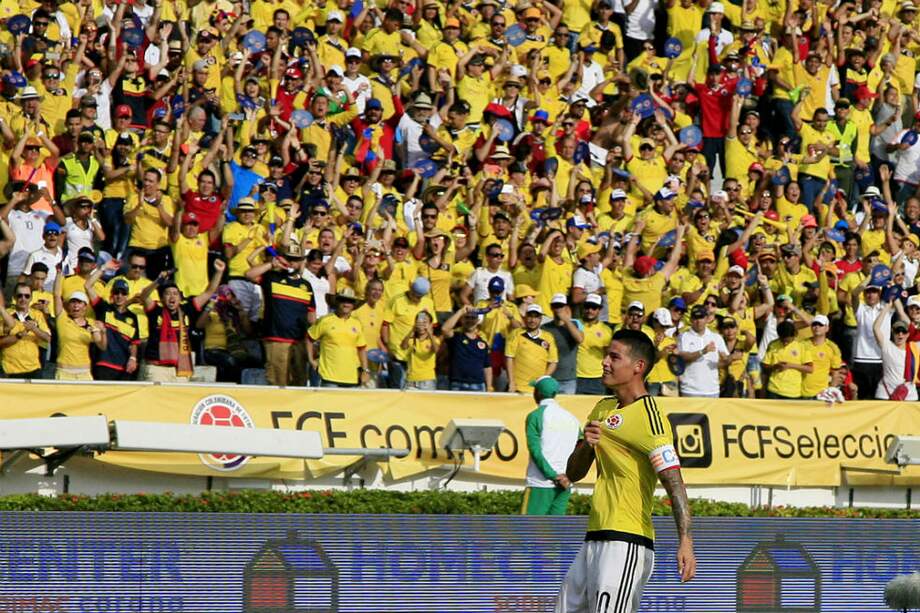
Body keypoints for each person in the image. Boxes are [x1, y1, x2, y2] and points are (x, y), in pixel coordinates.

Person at [556, 329, 696, 611]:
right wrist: (586, 446)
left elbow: (674, 482)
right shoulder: (602, 407)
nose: (605, 362)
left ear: (638, 367)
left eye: (614, 356)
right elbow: (574, 472)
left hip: (626, 541)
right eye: (606, 354)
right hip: (594, 536)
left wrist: (685, 540)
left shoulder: (650, 417)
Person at [246, 243, 315, 387]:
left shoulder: (306, 285)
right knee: (278, 383)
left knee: (299, 383)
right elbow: (249, 274)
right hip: (276, 339)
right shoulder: (271, 277)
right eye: (288, 258)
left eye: (295, 260)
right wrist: (272, 264)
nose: (291, 262)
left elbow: (311, 316)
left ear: (301, 261)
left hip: (299, 342)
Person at [522, 376, 580, 516]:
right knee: (554, 534)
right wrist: (567, 476)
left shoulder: (535, 416)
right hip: (565, 484)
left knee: (527, 532)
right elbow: (581, 448)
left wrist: (554, 476)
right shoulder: (571, 417)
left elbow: (536, 451)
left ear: (538, 393)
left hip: (540, 483)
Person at [307, 287, 370, 388]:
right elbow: (309, 338)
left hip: (352, 377)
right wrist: (311, 360)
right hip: (329, 377)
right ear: (337, 302)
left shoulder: (357, 324)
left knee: (349, 404)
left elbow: (361, 349)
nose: (346, 304)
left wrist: (365, 370)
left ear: (353, 305)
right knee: (329, 404)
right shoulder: (325, 320)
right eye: (342, 300)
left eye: (349, 301)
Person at [0, 283, 52, 378]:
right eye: (20, 295)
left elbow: (48, 338)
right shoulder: (5, 315)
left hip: (34, 369)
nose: (23, 299)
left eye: (27, 296)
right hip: (10, 370)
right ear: (14, 297)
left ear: (31, 298)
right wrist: (20, 335)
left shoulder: (38, 315)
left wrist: (34, 329)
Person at [676, 304, 730, 397]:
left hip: (712, 389)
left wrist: (728, 359)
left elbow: (725, 361)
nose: (698, 321)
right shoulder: (684, 336)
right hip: (690, 390)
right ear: (691, 320)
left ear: (706, 319)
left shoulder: (716, 337)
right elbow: (683, 358)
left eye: (701, 317)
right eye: (695, 318)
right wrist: (703, 351)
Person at [505, 304, 559, 393]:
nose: (532, 320)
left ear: (541, 319)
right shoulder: (516, 334)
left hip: (537, 389)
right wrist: (511, 382)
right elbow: (509, 358)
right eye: (530, 316)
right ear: (525, 317)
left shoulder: (548, 337)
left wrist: (542, 381)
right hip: (518, 387)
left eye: (536, 317)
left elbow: (553, 361)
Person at [441, 305, 493, 392]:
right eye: (467, 317)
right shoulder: (456, 337)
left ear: (477, 321)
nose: (470, 320)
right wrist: (461, 311)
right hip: (457, 384)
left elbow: (487, 367)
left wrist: (489, 386)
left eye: (473, 318)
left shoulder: (483, 342)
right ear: (462, 320)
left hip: (478, 385)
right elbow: (445, 329)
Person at [873, 303, 918, 400]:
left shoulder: (915, 348)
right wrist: (886, 308)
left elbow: (904, 317)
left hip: (909, 394)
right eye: (897, 331)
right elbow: (876, 328)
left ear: (908, 334)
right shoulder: (887, 346)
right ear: (893, 333)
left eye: (904, 331)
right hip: (885, 393)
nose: (900, 334)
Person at [762, 321, 814, 400]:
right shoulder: (772, 345)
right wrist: (775, 366)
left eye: (788, 341)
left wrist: (790, 365)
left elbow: (810, 369)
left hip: (793, 393)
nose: (785, 343)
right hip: (773, 390)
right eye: (783, 341)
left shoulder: (802, 346)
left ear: (794, 335)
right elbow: (765, 367)